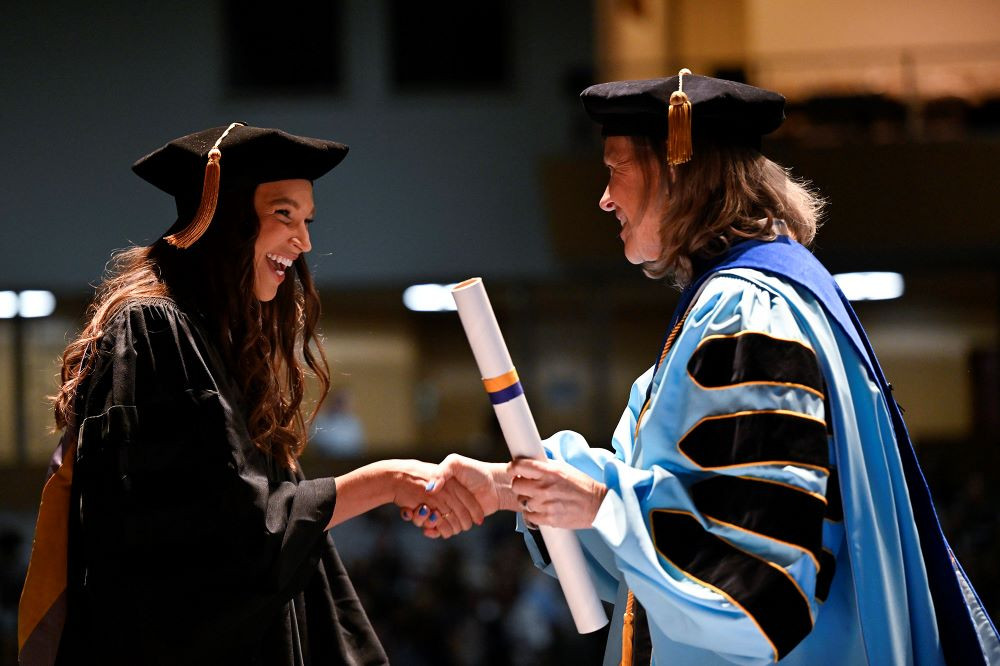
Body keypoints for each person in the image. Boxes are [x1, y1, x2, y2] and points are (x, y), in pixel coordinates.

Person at [417, 72, 1000, 664]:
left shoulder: (748, 312)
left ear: (678, 169)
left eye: (615, 168)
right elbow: (664, 506)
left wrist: (601, 505)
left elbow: (755, 578)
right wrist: (507, 490)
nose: (605, 197)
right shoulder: (728, 306)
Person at [18, 123, 486, 666]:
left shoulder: (214, 344)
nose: (304, 241)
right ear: (218, 217)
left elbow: (289, 559)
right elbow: (226, 537)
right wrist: (385, 481)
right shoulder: (152, 331)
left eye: (307, 220)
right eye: (283, 214)